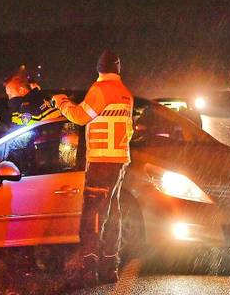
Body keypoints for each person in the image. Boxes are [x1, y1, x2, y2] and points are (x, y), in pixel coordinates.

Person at [52, 50, 134, 285]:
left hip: (101, 162)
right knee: (113, 214)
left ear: (99, 68)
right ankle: (110, 268)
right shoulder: (125, 93)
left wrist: (62, 102)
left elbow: (79, 117)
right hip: (119, 161)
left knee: (93, 216)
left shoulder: (100, 90)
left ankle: (89, 268)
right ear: (118, 69)